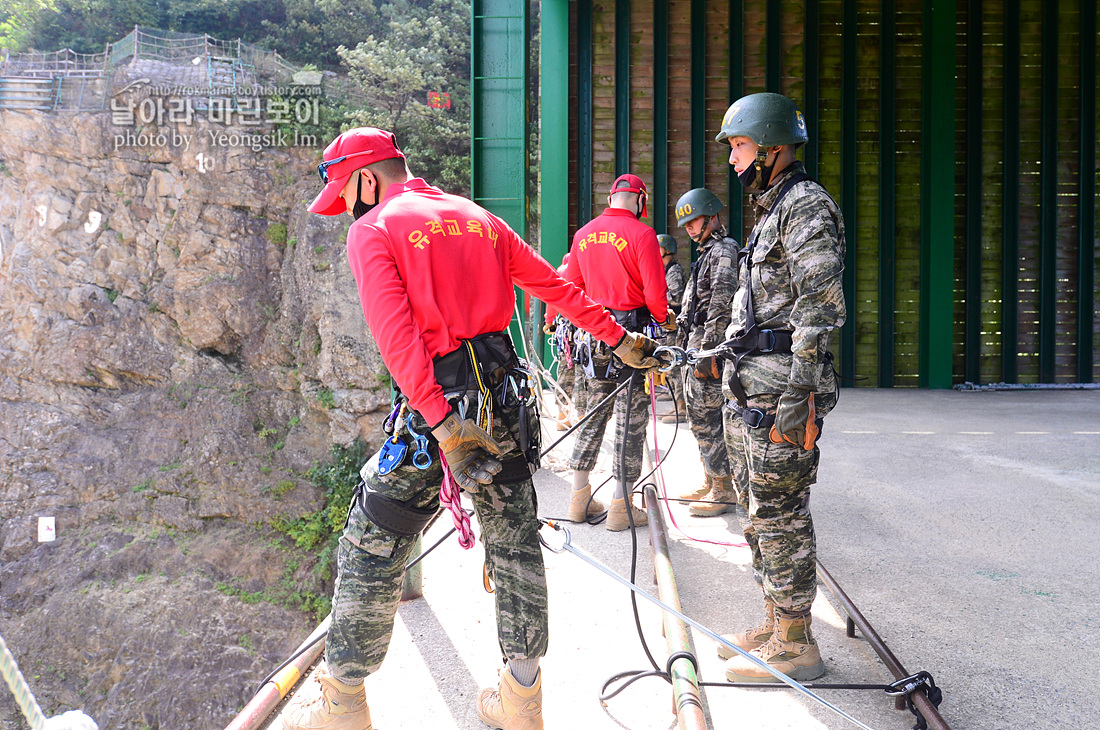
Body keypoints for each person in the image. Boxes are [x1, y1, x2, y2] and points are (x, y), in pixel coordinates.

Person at [282, 127, 659, 730]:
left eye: (346, 196)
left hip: (439, 416)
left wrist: (442, 424)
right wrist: (621, 338)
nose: (347, 210)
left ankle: (342, 704)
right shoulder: (475, 217)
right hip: (503, 404)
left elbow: (397, 339)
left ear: (363, 178)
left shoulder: (373, 229)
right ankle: (520, 702)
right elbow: (554, 288)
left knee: (373, 544)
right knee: (514, 548)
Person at [714, 93, 845, 683]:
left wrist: (801, 392)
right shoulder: (770, 210)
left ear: (769, 146)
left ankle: (797, 645)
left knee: (783, 515)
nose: (735, 158)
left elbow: (819, 306)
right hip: (753, 390)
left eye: (739, 146)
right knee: (758, 514)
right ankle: (776, 620)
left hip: (783, 394)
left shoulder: (806, 207)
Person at [563, 174, 676, 531]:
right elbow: (656, 295)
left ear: (612, 198)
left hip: (595, 336)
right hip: (633, 339)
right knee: (631, 421)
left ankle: (578, 499)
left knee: (592, 416)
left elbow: (573, 288)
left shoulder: (583, 235)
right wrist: (665, 321)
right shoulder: (643, 234)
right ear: (640, 199)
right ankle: (620, 506)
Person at [670, 189, 739, 515]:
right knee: (699, 418)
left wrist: (709, 351)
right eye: (685, 225)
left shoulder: (725, 251)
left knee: (709, 419)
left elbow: (721, 303)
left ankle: (724, 489)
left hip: (709, 349)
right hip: (695, 345)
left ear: (711, 215)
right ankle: (711, 481)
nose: (689, 228)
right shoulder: (708, 253)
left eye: (693, 221)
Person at [656, 234, 688, 424]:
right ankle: (673, 395)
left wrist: (655, 297)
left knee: (675, 365)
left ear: (666, 249)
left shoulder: (673, 271)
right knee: (669, 363)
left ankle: (681, 408)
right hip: (668, 325)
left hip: (674, 326)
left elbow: (677, 297)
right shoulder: (666, 269)